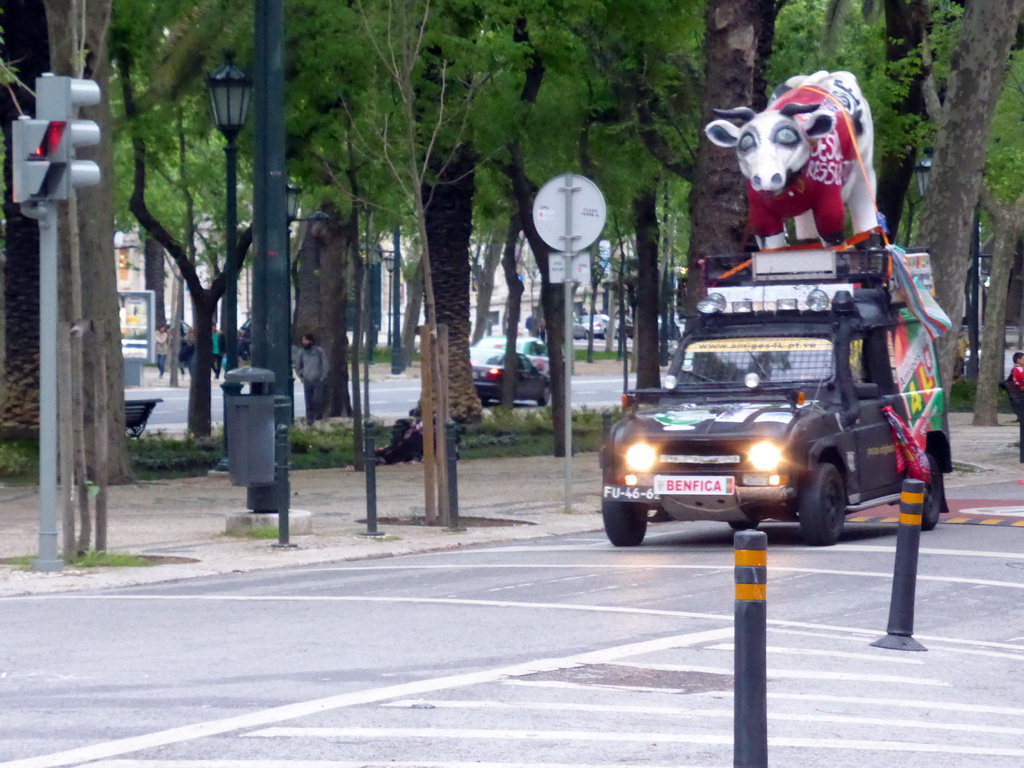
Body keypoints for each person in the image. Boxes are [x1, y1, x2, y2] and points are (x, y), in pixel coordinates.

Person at [296, 333, 329, 424]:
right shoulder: (301, 353)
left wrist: (322, 377)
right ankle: (309, 420)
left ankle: (318, 416)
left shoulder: (319, 351)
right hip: (307, 380)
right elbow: (298, 367)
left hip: (318, 380)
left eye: (305, 340)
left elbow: (325, 365)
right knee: (308, 401)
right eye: (303, 340)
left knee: (317, 399)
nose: (304, 342)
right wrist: (302, 377)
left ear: (310, 341)